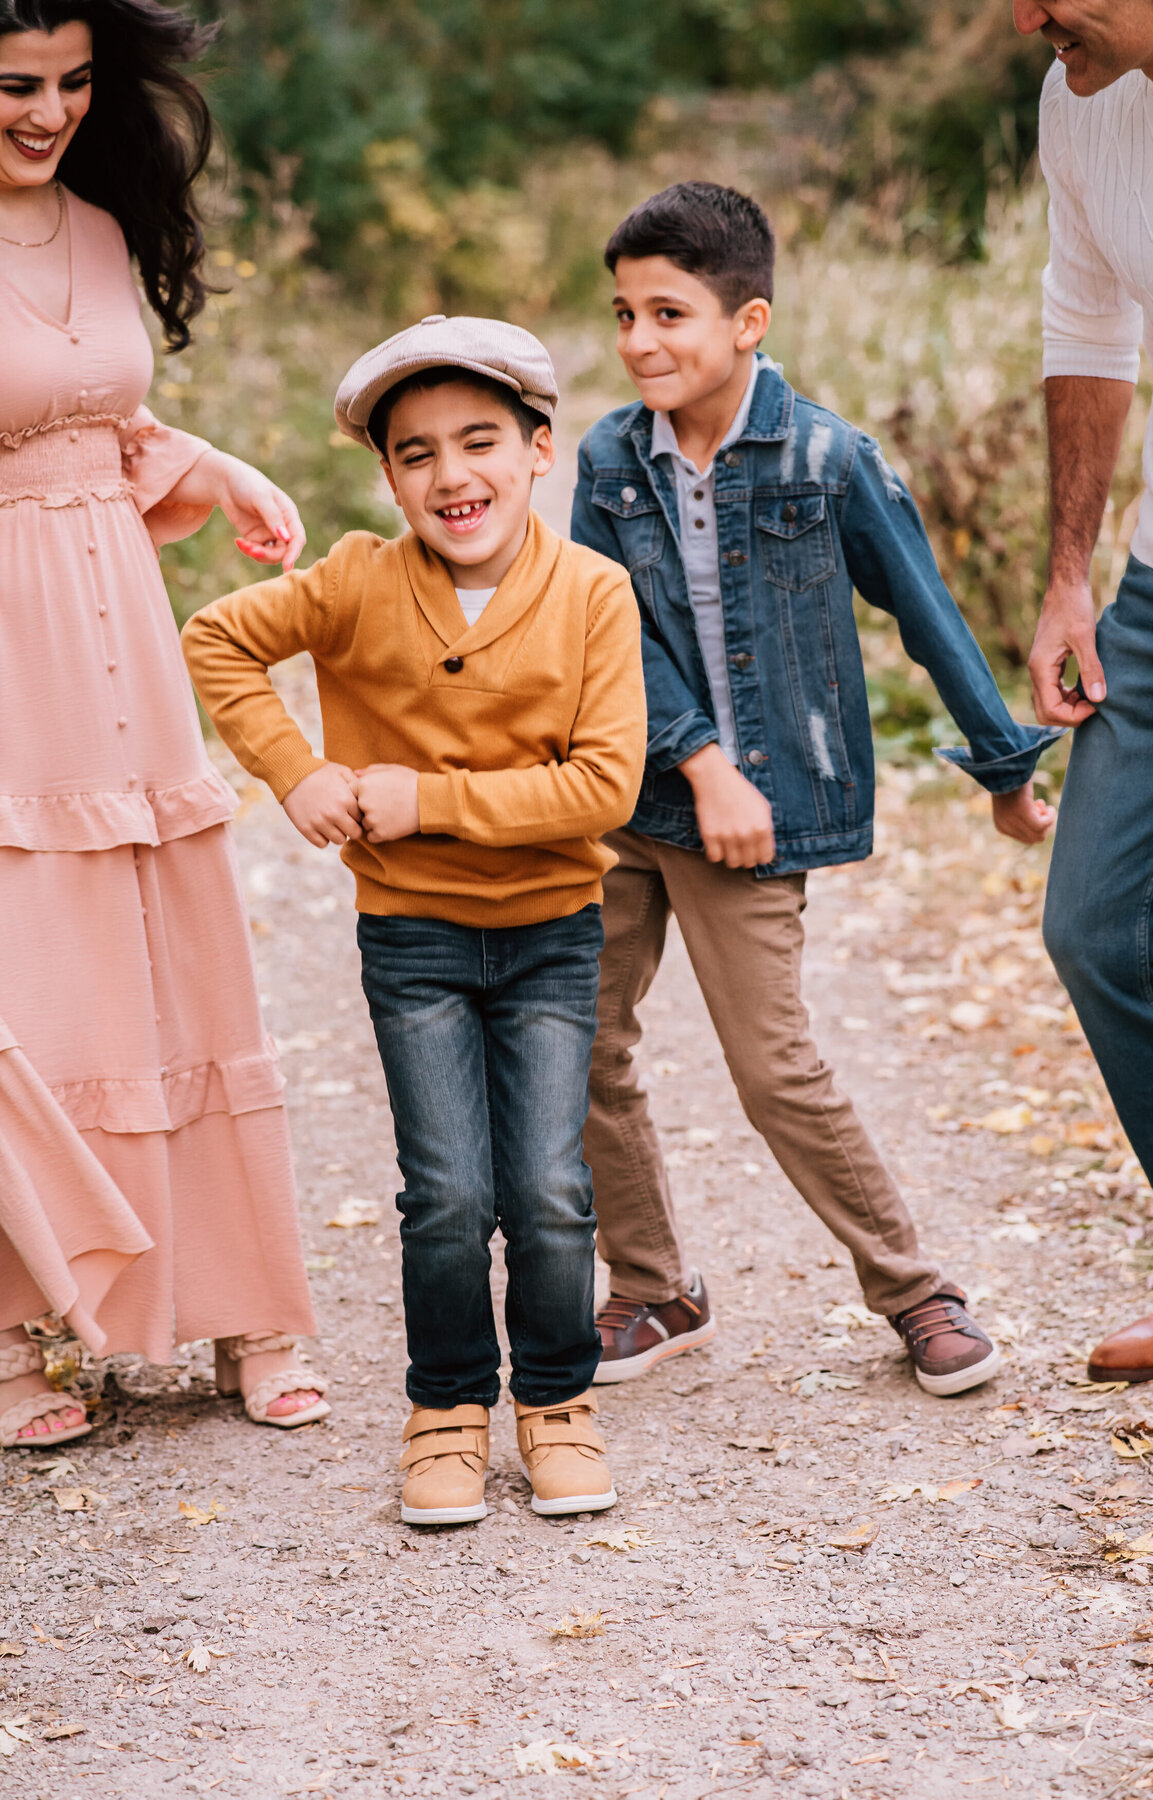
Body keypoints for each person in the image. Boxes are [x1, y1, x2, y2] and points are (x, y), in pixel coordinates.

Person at [571, 180, 1062, 1397]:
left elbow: (928, 615)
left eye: (669, 314)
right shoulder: (606, 458)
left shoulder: (829, 457)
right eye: (625, 314)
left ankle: (916, 1291)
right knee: (579, 1041)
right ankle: (652, 1289)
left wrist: (1002, 769)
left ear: (749, 322)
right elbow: (599, 630)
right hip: (626, 798)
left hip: (754, 821)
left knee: (775, 1071)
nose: (640, 342)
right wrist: (692, 757)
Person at [182, 315, 646, 1524]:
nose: (453, 475)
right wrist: (295, 771)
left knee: (547, 1188)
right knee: (446, 1193)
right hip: (415, 938)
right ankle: (445, 1411)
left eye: (480, 440)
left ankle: (556, 1405)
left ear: (543, 449)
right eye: (418, 453)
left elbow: (605, 786)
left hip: (552, 933)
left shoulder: (594, 595)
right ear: (388, 477)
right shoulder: (357, 584)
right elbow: (219, 638)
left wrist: (419, 795)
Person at [0, 0, 330, 1451]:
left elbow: (104, 428)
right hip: (11, 653)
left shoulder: (98, 230)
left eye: (72, 83)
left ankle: (249, 1314)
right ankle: (17, 1338)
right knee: (39, 973)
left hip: (120, 623)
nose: (46, 111)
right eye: (15, 86)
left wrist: (221, 465)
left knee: (177, 950)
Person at [1012, 2, 1153, 1394]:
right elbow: (1089, 320)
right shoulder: (1084, 101)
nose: (1028, 18)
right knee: (1099, 926)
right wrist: (1070, 573)